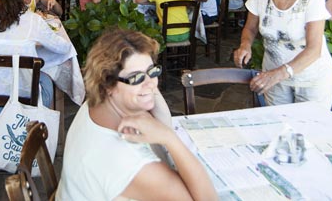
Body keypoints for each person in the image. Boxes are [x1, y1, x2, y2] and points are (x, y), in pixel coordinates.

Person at [56, 28, 216, 201]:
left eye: (152, 71)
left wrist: (145, 85)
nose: (150, 83)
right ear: (108, 85)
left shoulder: (95, 105)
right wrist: (170, 138)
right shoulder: (131, 164)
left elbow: (155, 101)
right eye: (136, 78)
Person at [233, 0, 332, 107]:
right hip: (273, 73)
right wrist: (245, 45)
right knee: (278, 125)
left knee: (309, 128)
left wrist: (279, 74)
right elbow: (250, 28)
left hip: (310, 77)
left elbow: (314, 49)